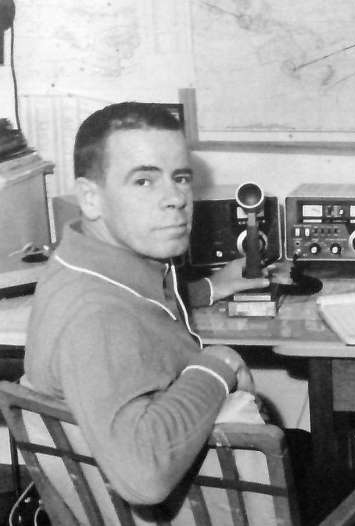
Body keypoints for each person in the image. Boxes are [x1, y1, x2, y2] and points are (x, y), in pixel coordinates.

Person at [23, 102, 273, 505]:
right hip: (198, 504)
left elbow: (141, 304)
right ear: (90, 198)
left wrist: (211, 288)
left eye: (181, 178)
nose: (175, 198)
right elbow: (144, 479)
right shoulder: (98, 318)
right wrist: (218, 363)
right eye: (144, 181)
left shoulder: (84, 265)